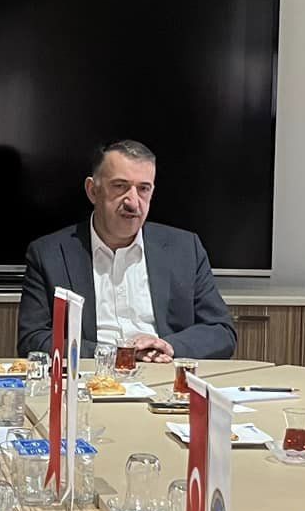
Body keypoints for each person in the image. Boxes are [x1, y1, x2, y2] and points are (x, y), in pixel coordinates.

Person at [17, 140, 236, 360]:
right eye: (120, 186)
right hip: (92, 374)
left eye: (143, 189)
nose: (133, 202)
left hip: (163, 371)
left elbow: (221, 331)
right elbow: (33, 339)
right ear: (92, 191)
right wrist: (117, 355)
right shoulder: (49, 254)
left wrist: (168, 346)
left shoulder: (185, 249)